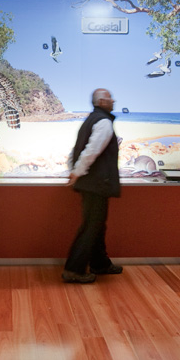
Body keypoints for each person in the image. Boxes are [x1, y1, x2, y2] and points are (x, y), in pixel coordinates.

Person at [62, 88, 123, 283]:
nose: (113, 100)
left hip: (90, 183)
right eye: (110, 98)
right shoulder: (104, 122)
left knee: (96, 225)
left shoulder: (90, 120)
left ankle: (100, 264)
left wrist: (73, 169)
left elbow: (76, 149)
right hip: (97, 183)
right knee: (91, 226)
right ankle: (74, 270)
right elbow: (91, 151)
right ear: (102, 102)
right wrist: (77, 171)